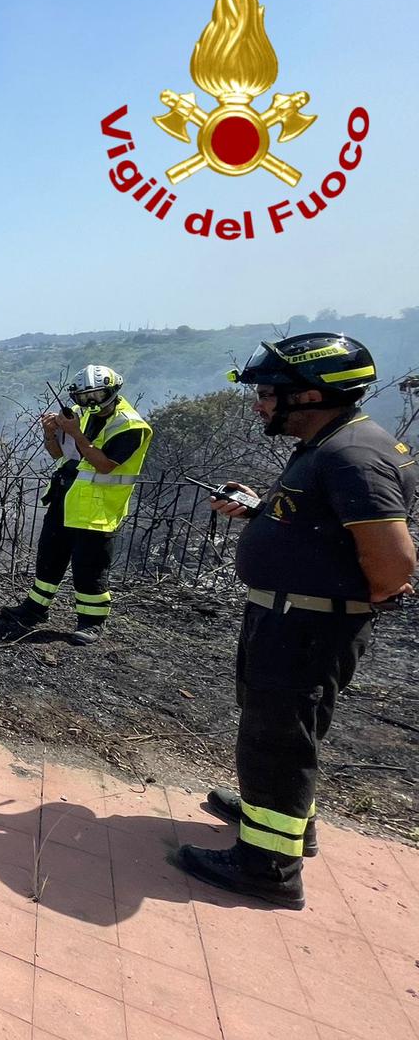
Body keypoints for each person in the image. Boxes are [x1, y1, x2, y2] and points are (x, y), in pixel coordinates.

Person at [177, 333, 417, 908]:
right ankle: (281, 822)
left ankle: (267, 868)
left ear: (309, 395)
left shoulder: (351, 456)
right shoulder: (331, 444)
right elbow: (322, 527)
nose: (260, 403)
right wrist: (261, 510)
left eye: (268, 392)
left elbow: (393, 566)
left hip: (306, 627)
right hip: (296, 618)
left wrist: (338, 605)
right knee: (281, 731)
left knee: (277, 738)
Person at [0, 365, 153, 644]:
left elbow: (105, 465)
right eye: (84, 397)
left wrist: (76, 432)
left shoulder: (131, 426)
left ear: (113, 391)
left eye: (97, 395)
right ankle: (35, 608)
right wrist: (50, 433)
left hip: (97, 511)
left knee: (89, 568)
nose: (90, 403)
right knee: (49, 557)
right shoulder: (78, 415)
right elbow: (60, 453)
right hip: (64, 498)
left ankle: (92, 622)